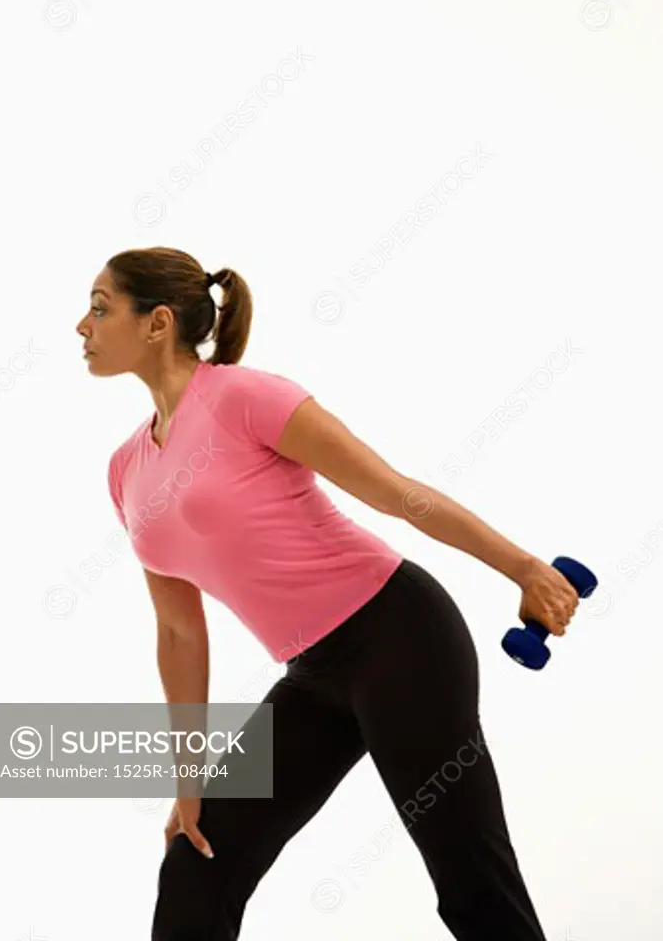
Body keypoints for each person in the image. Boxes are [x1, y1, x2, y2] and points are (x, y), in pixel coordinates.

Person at [76, 246, 579, 941]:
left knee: (470, 882)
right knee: (197, 864)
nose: (83, 325)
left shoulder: (247, 398)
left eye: (100, 308)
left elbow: (398, 495)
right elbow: (178, 632)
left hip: (398, 636)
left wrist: (523, 567)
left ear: (157, 322)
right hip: (312, 677)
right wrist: (188, 780)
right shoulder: (124, 470)